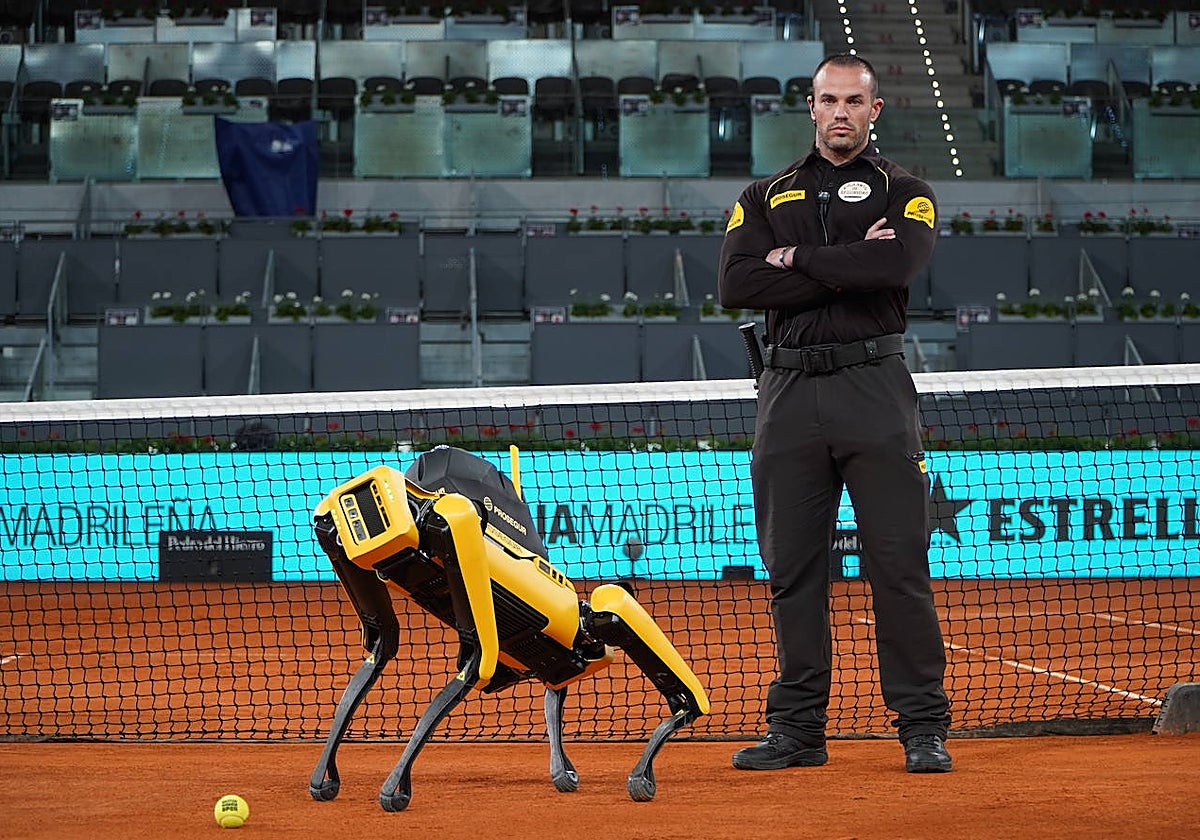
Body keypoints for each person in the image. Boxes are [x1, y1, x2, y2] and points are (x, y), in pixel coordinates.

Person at [717, 53, 952, 774]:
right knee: (792, 571)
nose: (841, 111)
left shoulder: (905, 190)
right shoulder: (763, 194)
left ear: (874, 110)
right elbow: (735, 283)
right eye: (829, 99)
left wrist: (794, 262)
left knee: (899, 567)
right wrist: (843, 258)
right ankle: (797, 731)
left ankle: (921, 727)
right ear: (811, 107)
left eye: (855, 99)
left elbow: (891, 269)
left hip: (874, 388)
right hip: (786, 397)